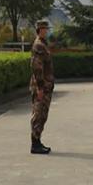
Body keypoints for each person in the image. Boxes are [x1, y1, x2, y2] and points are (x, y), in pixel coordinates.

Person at [30, 20, 55, 155]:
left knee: (42, 115)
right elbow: (36, 67)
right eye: (44, 29)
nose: (47, 31)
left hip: (45, 86)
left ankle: (38, 141)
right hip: (41, 86)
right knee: (38, 114)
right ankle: (35, 144)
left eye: (47, 28)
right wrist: (40, 88)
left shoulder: (43, 44)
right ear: (39, 29)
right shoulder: (39, 45)